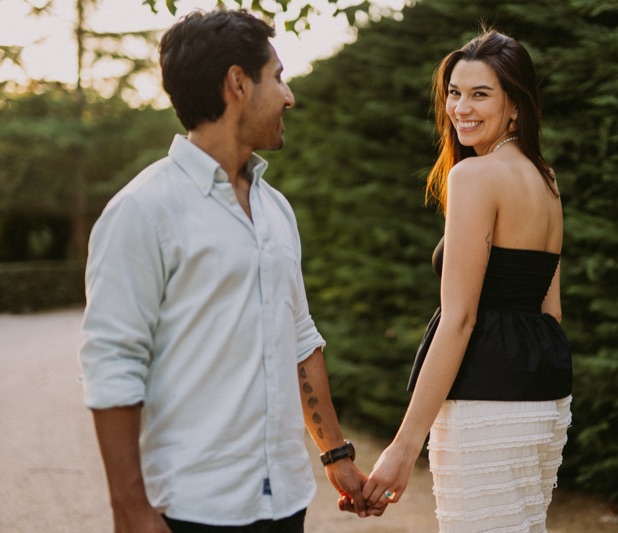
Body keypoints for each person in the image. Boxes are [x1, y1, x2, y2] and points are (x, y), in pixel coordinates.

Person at [78, 9, 380, 532]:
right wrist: (130, 510)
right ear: (237, 83)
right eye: (278, 77)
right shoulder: (142, 211)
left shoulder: (277, 210)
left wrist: (336, 456)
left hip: (284, 500)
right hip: (194, 507)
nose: (290, 97)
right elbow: (112, 364)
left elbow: (300, 339)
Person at [361, 29, 573, 532]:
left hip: (486, 404)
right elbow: (552, 312)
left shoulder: (473, 178)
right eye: (455, 93)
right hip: (546, 402)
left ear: (516, 105)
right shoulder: (545, 179)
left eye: (481, 94)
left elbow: (459, 320)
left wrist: (403, 446)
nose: (461, 108)